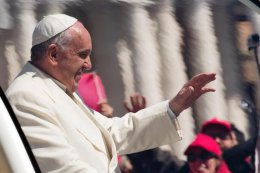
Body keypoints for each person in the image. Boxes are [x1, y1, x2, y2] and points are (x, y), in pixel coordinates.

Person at [6, 14, 216, 173]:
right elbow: (63, 168)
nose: (88, 65)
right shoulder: (26, 97)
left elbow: (111, 131)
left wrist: (172, 108)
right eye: (83, 55)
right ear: (53, 54)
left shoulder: (57, 90)